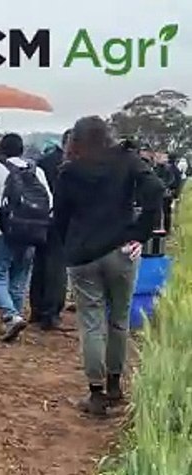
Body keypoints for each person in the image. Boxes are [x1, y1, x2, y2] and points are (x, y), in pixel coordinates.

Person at [54, 116, 164, 416]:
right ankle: (116, 386)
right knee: (118, 320)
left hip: (83, 256)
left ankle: (96, 393)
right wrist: (141, 232)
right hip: (121, 250)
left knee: (91, 323)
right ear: (107, 135)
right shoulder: (126, 160)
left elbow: (60, 217)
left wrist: (68, 246)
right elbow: (155, 189)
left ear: (75, 140)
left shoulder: (69, 171)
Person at [0, 133, 52, 342]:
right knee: (19, 276)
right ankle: (14, 318)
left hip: (3, 230)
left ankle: (10, 315)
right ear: (22, 149)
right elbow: (49, 201)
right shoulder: (37, 171)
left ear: (2, 150)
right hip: (32, 231)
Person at [29, 130, 73, 331]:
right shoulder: (70, 165)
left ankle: (37, 310)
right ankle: (51, 313)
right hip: (60, 220)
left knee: (40, 264)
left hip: (39, 219)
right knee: (56, 267)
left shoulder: (43, 161)